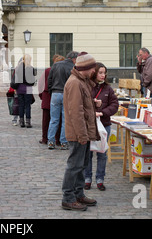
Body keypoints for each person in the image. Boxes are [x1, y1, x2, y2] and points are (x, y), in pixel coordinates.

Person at [61, 52, 99, 211]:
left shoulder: (81, 81)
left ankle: (78, 193)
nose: (94, 71)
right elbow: (76, 112)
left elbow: (83, 106)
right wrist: (82, 135)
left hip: (81, 132)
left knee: (81, 164)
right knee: (74, 165)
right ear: (87, 68)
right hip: (78, 133)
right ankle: (68, 197)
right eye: (93, 68)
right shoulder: (75, 83)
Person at [84, 62, 119, 191]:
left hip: (104, 125)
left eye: (104, 73)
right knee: (88, 153)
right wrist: (94, 106)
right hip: (89, 125)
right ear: (94, 73)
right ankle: (87, 179)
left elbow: (114, 105)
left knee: (102, 153)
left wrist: (102, 111)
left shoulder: (108, 89)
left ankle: (100, 179)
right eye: (100, 72)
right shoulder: (87, 86)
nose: (103, 75)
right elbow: (82, 104)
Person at [47, 51, 78, 149]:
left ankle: (51, 141)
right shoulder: (73, 68)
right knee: (66, 120)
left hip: (55, 93)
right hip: (67, 94)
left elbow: (50, 79)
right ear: (74, 59)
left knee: (53, 119)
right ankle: (63, 142)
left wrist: (51, 90)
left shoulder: (56, 65)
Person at [38, 54, 64, 144]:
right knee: (60, 119)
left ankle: (46, 138)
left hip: (47, 97)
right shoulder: (64, 71)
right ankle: (58, 139)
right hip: (59, 95)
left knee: (47, 120)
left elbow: (40, 84)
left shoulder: (48, 70)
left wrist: (42, 95)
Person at [13, 54, 36, 128]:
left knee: (21, 105)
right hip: (28, 88)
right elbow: (32, 81)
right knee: (28, 105)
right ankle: (28, 122)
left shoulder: (18, 68)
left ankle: (21, 121)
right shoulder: (31, 68)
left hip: (20, 88)